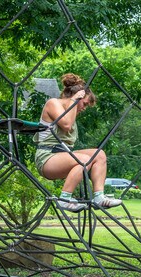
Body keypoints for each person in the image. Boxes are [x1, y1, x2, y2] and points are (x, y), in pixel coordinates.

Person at [34, 73, 121, 212]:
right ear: (77, 97)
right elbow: (66, 125)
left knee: (99, 154)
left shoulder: (71, 112)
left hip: (62, 156)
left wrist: (75, 103)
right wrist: (74, 101)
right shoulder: (53, 103)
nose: (84, 108)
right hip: (47, 157)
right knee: (84, 160)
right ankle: (65, 199)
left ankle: (99, 197)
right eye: (84, 103)